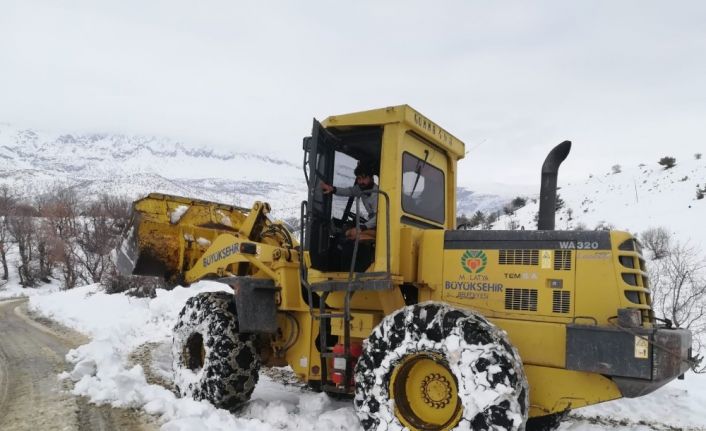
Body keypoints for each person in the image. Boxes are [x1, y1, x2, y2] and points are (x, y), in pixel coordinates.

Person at [320, 163, 378, 242]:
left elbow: (379, 217)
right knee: (347, 231)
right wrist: (333, 189)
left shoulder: (377, 195)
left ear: (371, 178)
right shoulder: (362, 189)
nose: (361, 182)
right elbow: (349, 191)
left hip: (380, 228)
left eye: (364, 178)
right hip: (372, 225)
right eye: (359, 179)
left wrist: (362, 227)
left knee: (351, 235)